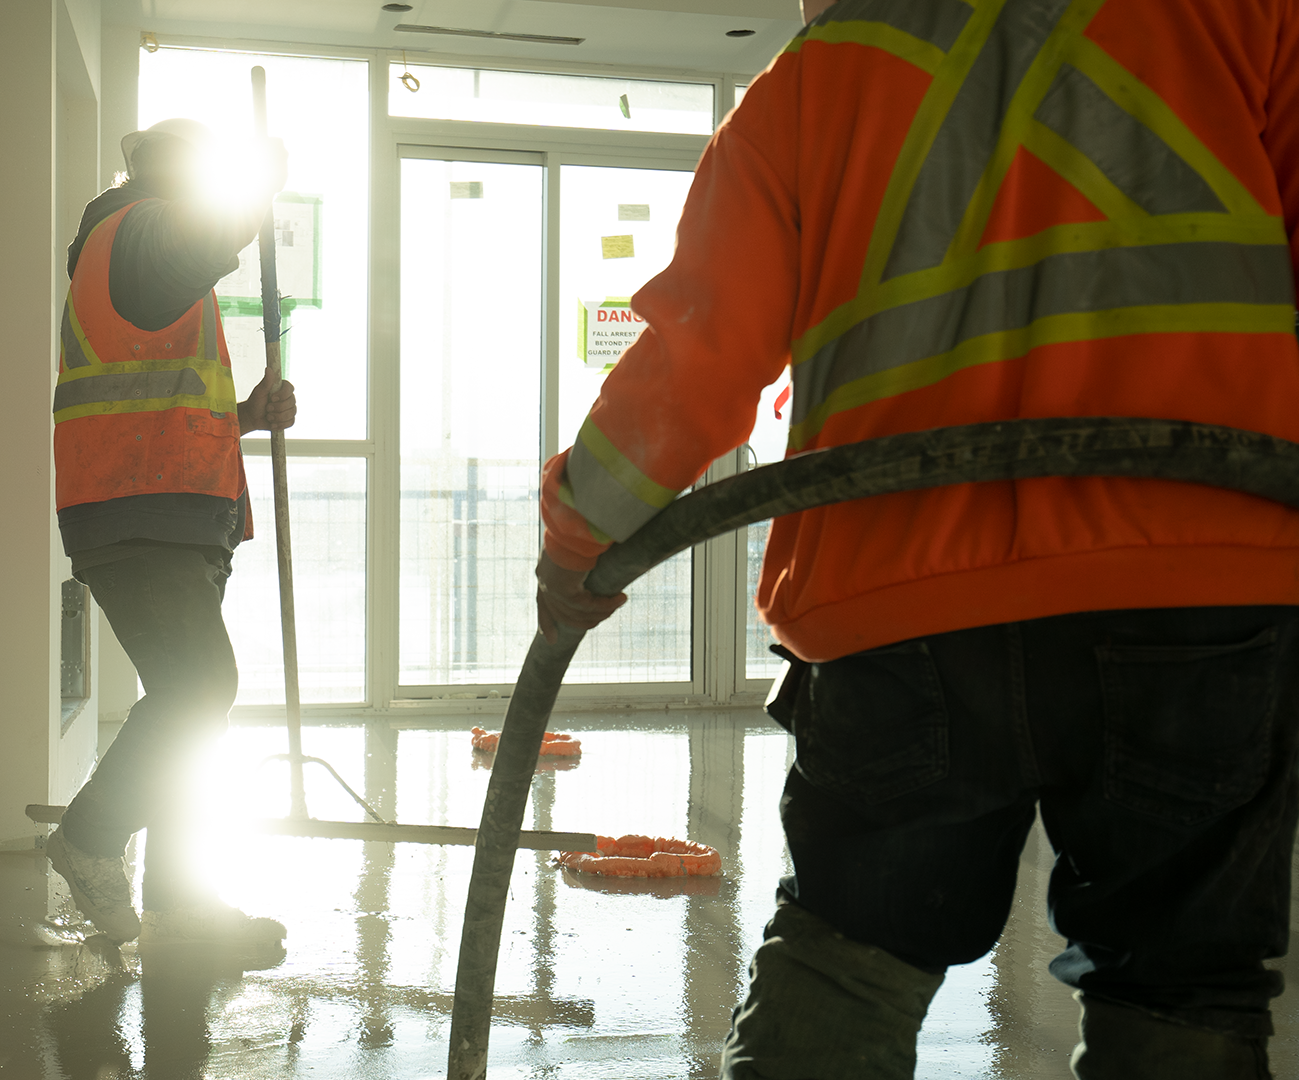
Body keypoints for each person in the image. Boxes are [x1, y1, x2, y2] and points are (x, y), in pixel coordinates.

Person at [535, 0, 1299, 1075]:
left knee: (850, 957)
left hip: (902, 602)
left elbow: (698, 356)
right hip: (1196, 584)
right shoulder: (1238, 16)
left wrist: (579, 543)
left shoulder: (814, 79)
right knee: (1180, 987)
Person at [47, 118, 296, 946]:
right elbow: (201, 239)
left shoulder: (132, 250)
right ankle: (89, 839)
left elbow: (163, 396)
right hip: (140, 508)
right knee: (199, 690)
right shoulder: (137, 230)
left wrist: (247, 416)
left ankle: (181, 906)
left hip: (168, 507)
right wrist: (258, 184)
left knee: (189, 709)